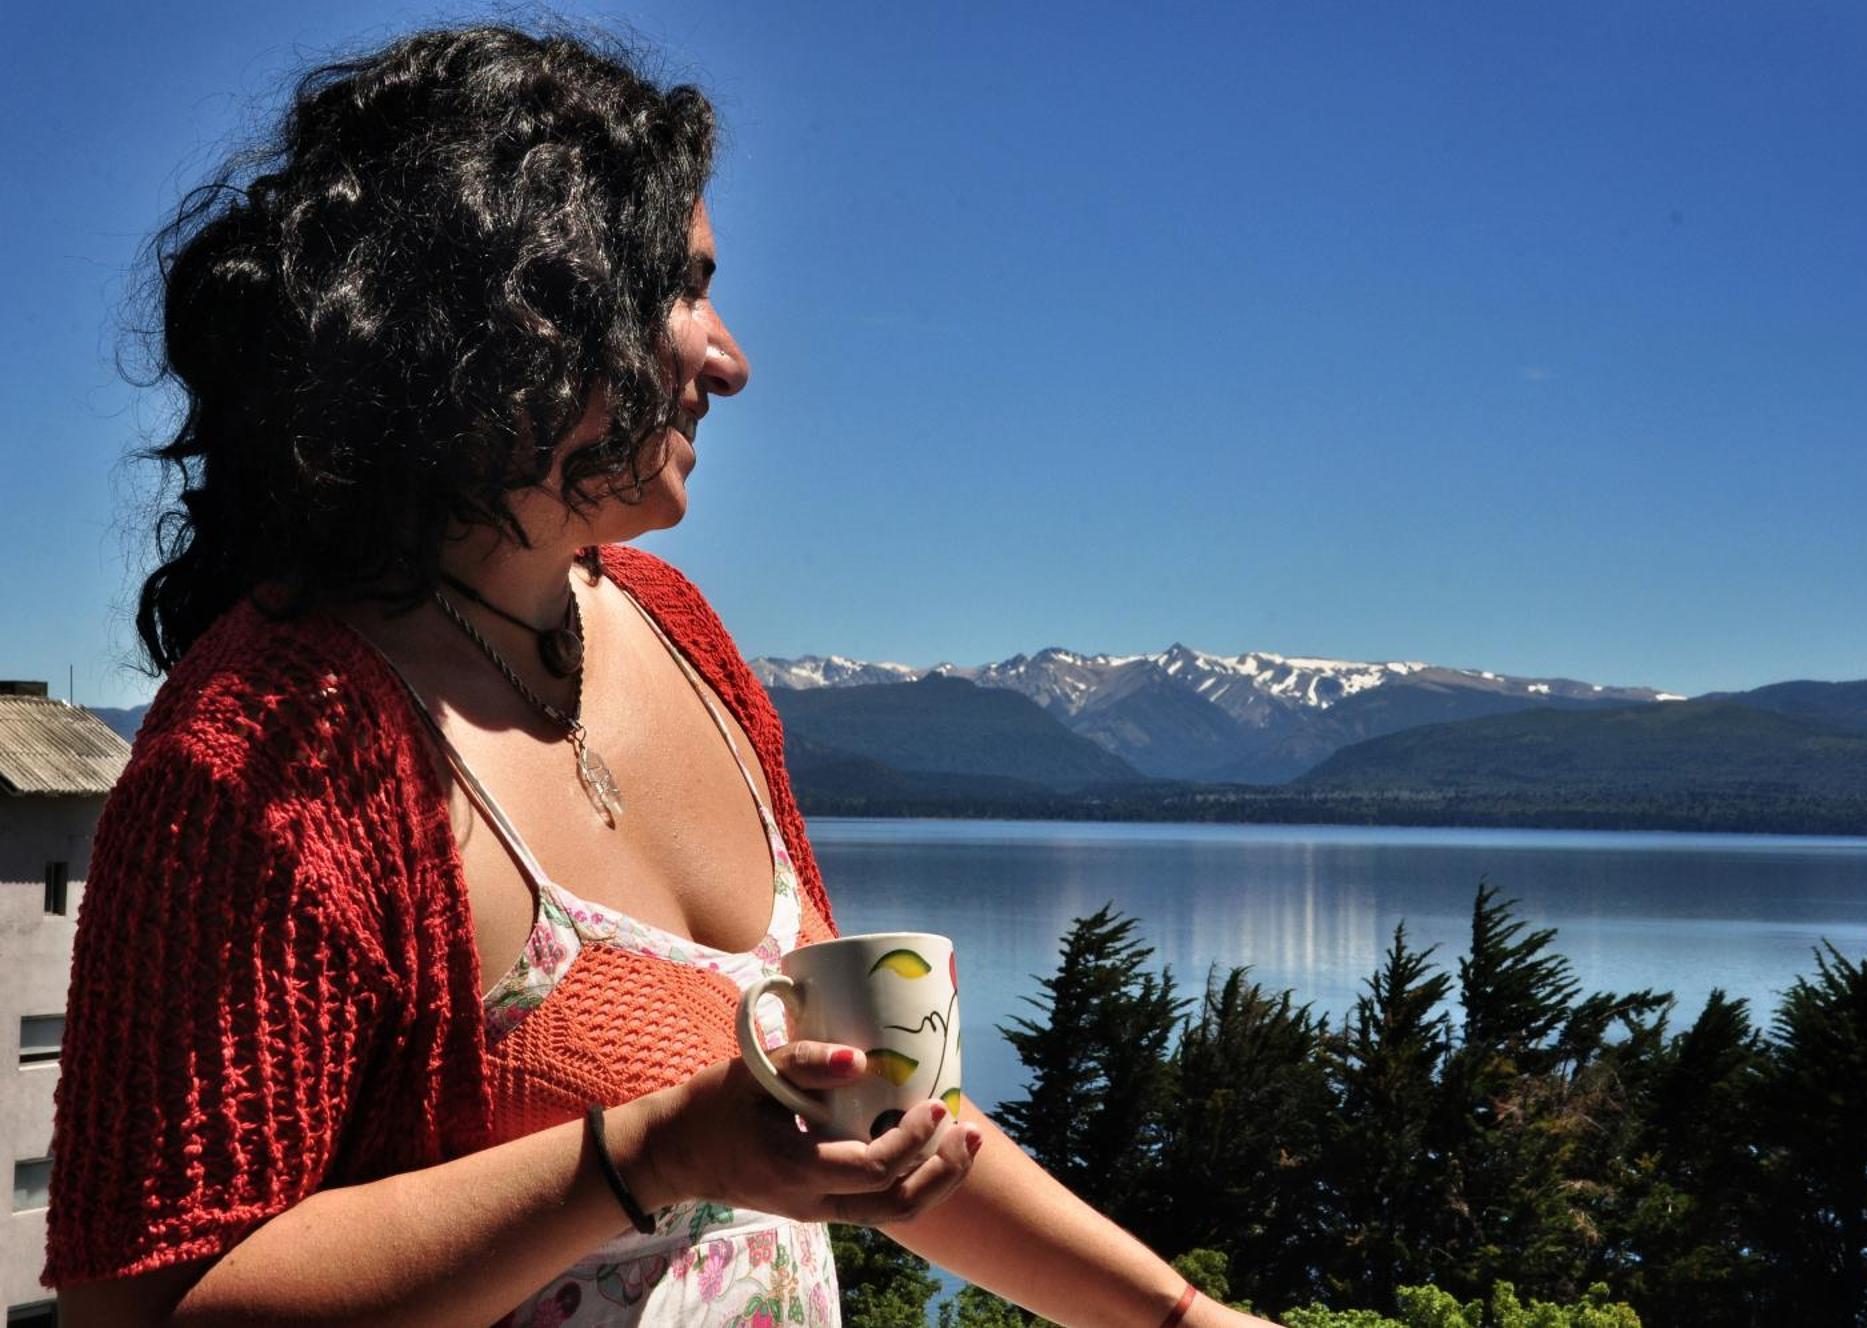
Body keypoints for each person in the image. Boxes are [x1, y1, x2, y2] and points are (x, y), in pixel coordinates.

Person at [46, 24, 1275, 1328]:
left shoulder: (678, 629)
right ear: (510, 314)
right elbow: (149, 1313)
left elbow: (873, 1110)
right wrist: (649, 1156)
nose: (729, 359)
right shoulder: (265, 760)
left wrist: (1178, 1317)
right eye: (679, 291)